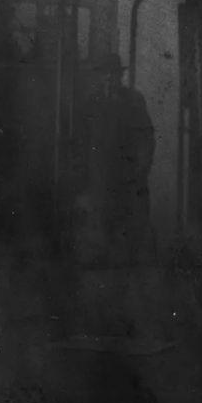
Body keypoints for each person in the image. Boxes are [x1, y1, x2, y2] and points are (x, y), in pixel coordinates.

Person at [72, 54, 155, 267]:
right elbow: (81, 145)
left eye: (114, 74)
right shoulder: (91, 104)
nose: (109, 78)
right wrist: (83, 183)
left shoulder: (133, 101)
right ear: (99, 77)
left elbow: (145, 139)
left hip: (127, 179)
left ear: (120, 76)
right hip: (100, 180)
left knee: (128, 237)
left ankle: (127, 276)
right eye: (105, 74)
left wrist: (140, 172)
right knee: (101, 234)